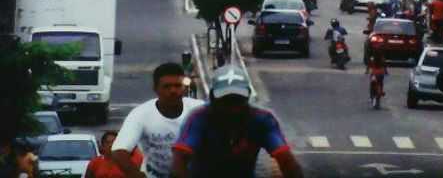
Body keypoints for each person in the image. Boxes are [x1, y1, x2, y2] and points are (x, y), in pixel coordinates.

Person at [171, 65, 304, 178]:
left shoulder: (263, 120)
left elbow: (286, 160)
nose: (232, 108)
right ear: (212, 97)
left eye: (237, 101)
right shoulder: (198, 118)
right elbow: (180, 159)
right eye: (226, 102)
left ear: (247, 98)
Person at [111, 63, 203, 178]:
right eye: (167, 86)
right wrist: (137, 175)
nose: (173, 91)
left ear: (184, 87)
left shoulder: (200, 110)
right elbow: (119, 151)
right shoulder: (140, 114)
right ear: (155, 89)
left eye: (177, 86)